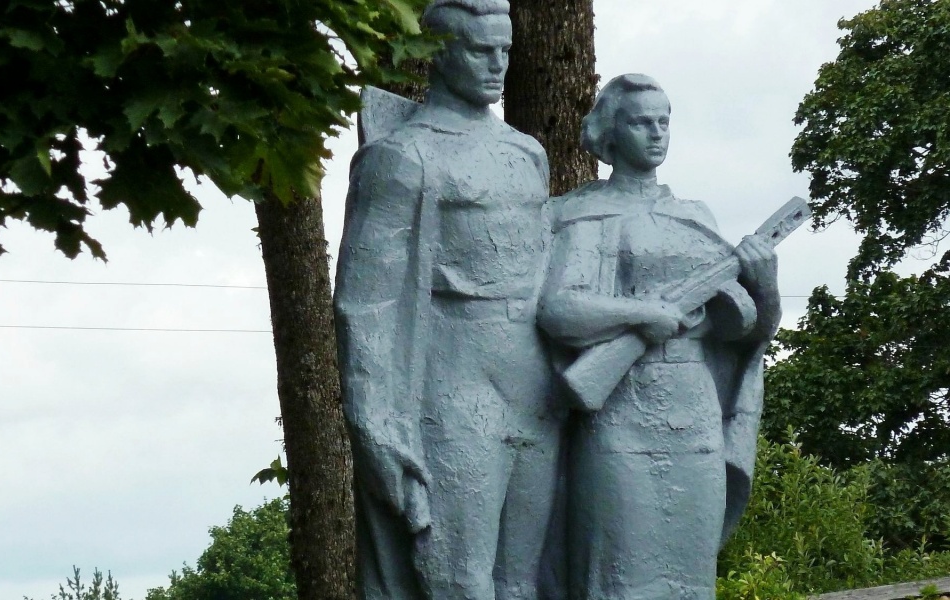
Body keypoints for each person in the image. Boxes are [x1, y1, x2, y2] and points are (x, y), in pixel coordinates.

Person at [333, 1, 564, 598]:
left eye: (505, 50)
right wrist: (377, 423)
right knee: (459, 579)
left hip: (535, 385)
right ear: (438, 53)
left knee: (527, 579)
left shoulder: (527, 153)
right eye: (480, 50)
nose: (498, 65)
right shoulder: (404, 156)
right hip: (453, 385)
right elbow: (366, 306)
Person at [537, 74, 782, 599]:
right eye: (641, 121)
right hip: (621, 409)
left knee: (689, 574)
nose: (656, 133)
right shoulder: (583, 213)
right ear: (610, 130)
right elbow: (560, 310)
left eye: (664, 121)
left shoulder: (695, 217)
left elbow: (744, 334)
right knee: (619, 571)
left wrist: (766, 287)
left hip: (693, 410)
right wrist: (644, 313)